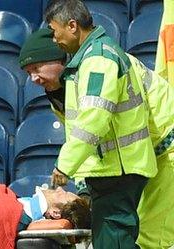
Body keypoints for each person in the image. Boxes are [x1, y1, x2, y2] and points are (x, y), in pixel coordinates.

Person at [19, 27, 174, 249]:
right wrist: (84, 189)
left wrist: (65, 167)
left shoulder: (100, 64)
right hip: (137, 159)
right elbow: (83, 140)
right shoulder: (63, 92)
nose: (34, 78)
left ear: (59, 59)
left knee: (153, 236)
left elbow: (95, 123)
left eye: (36, 68)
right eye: (27, 73)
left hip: (165, 148)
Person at [44, 0, 159, 248]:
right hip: (116, 167)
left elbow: (94, 118)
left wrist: (65, 164)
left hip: (118, 169)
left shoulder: (99, 60)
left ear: (72, 26)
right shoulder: (92, 57)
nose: (54, 39)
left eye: (54, 31)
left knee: (113, 240)